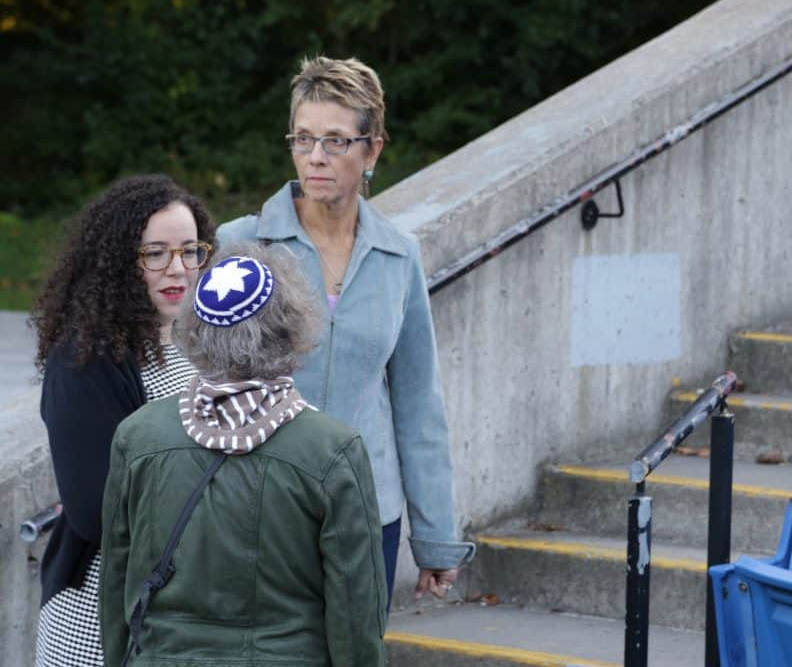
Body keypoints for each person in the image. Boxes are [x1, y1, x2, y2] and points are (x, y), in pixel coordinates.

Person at [217, 56, 473, 604]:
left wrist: (435, 536)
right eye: (303, 138)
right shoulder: (243, 246)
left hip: (366, 513)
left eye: (335, 141)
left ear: (372, 148)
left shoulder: (398, 257)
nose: (315, 157)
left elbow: (417, 403)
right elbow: (202, 386)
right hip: (259, 511)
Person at [99, 246, 387, 667]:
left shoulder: (139, 437)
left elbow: (117, 585)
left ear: (196, 329)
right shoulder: (332, 450)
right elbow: (356, 609)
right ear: (290, 327)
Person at [31, 174, 216, 666]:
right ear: (118, 263)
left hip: (176, 612)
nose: (178, 269)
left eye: (190, 250)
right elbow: (97, 510)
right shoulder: (85, 358)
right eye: (155, 253)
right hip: (101, 622)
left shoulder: (190, 341)